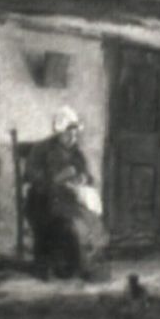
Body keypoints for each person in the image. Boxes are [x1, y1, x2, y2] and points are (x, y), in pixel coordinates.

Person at [24, 106, 108, 280]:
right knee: (60, 220)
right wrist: (57, 178)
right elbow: (31, 175)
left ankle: (84, 265)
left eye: (76, 133)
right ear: (60, 132)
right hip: (42, 198)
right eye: (69, 133)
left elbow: (87, 176)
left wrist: (83, 179)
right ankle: (52, 264)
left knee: (90, 223)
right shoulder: (42, 149)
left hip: (68, 199)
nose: (73, 137)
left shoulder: (76, 153)